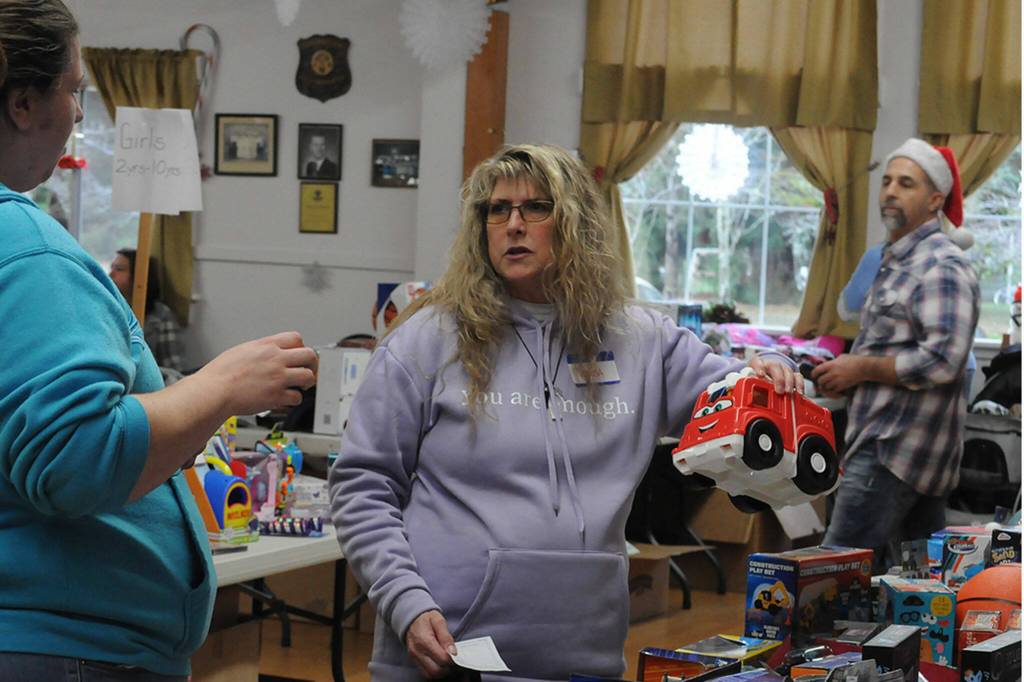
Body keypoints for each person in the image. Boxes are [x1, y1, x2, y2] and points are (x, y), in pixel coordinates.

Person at [329, 143, 801, 680]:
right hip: (444, 652)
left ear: (575, 221)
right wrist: (404, 601)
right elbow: (362, 485)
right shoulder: (427, 340)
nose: (513, 224)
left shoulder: (641, 340)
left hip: (582, 656)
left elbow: (735, 394)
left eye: (536, 207)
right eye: (497, 209)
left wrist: (770, 363)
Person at [0, 2, 318, 680]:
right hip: (65, 645)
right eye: (71, 89)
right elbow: (76, 456)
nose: (80, 113)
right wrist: (219, 386)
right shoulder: (25, 245)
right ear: (22, 103)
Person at [813, 138, 980, 570]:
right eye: (887, 181)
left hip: (896, 451)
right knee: (907, 586)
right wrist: (844, 369)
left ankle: (817, 641)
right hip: (889, 444)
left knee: (832, 571)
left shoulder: (942, 266)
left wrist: (859, 368)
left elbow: (943, 361)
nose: (890, 191)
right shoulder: (895, 260)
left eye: (906, 183)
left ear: (934, 200)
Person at [109, 247, 186, 373]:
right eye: (112, 268)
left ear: (138, 275)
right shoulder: (108, 309)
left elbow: (173, 366)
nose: (111, 274)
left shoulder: (160, 315)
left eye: (119, 269)